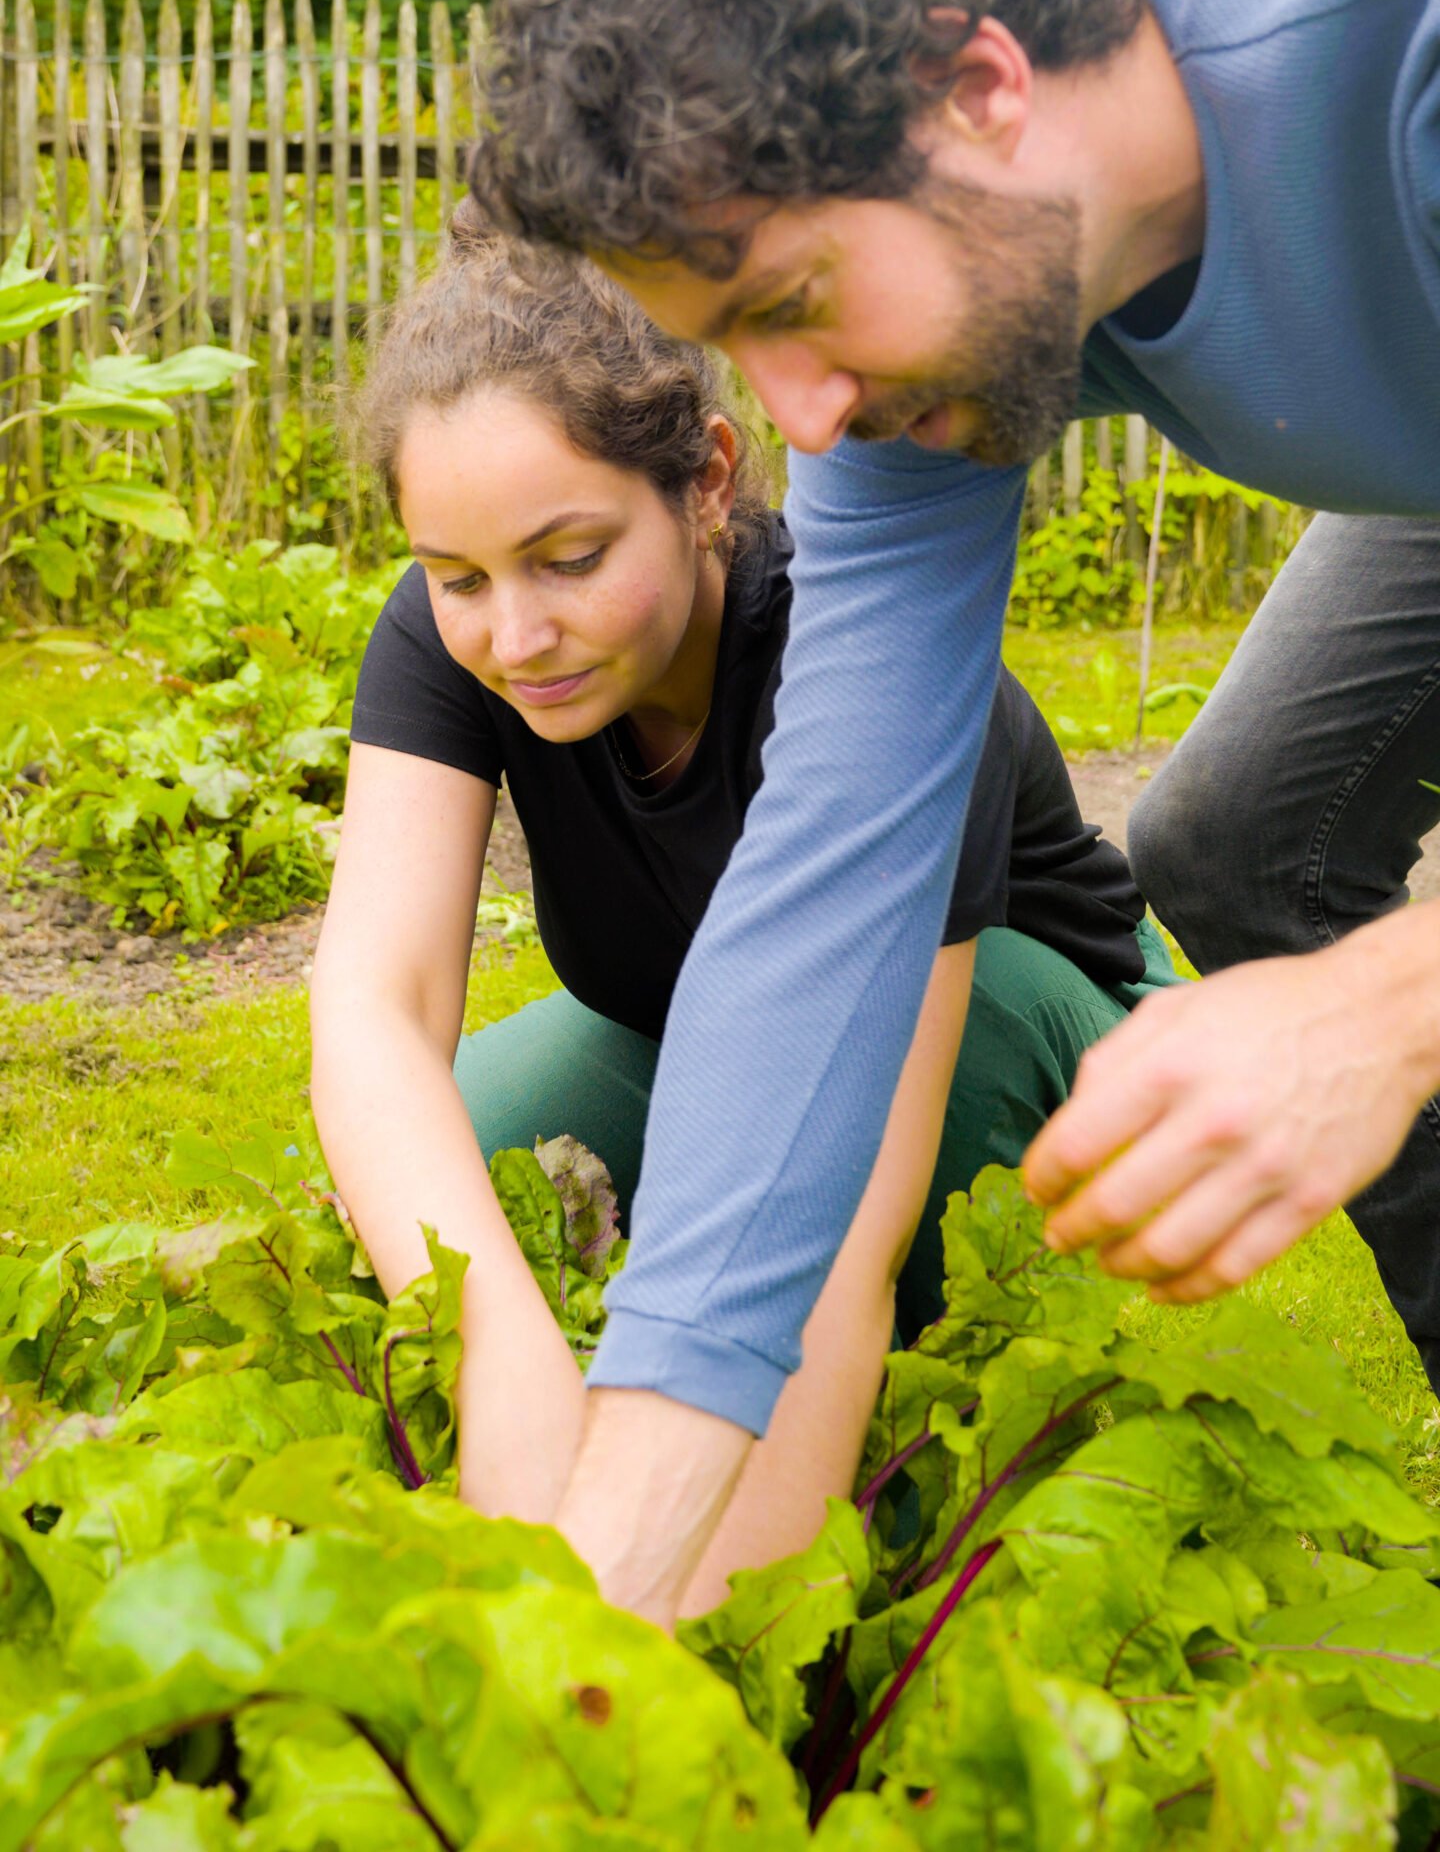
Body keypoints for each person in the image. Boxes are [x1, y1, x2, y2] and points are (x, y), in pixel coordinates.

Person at [469, 0, 1440, 1624]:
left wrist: (1385, 1008)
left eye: (794, 303)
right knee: (1250, 839)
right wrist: (604, 1597)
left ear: (984, 86)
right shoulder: (945, 257)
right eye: (735, 344)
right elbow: (830, 877)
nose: (798, 418)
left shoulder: (1395, 32)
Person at [309, 229, 1175, 1609]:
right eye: (459, 577)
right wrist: (503, 1370)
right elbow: (376, 1012)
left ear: (706, 481)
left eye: (570, 558)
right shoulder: (451, 639)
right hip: (718, 1048)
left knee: (915, 1093)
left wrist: (730, 1610)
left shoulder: (869, 647)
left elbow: (852, 1196)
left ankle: (884, 1485)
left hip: (1042, 1032)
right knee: (449, 1147)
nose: (514, 635)